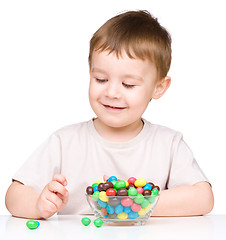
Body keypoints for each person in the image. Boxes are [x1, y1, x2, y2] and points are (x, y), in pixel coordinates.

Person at [5, 10, 214, 220]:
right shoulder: (65, 142)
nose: (112, 93)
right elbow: (14, 196)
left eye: (128, 84)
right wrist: (37, 205)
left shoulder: (168, 144)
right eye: (101, 79)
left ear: (159, 87)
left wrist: (135, 203)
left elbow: (203, 198)